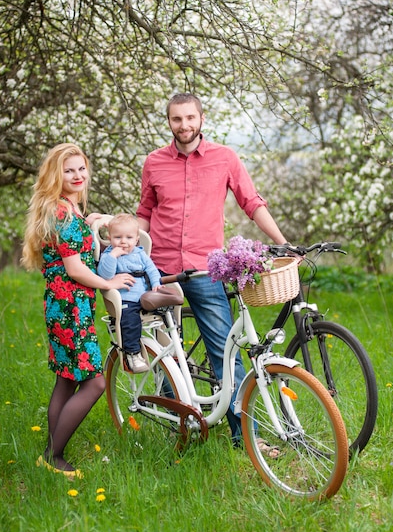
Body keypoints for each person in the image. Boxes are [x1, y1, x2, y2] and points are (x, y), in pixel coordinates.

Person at [136, 93, 288, 446]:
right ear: (169, 122)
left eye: (190, 118)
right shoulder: (154, 163)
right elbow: (144, 212)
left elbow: (252, 202)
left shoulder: (225, 158)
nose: (184, 125)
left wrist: (282, 240)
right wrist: (132, 255)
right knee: (163, 352)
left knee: (225, 350)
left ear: (201, 119)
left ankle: (245, 436)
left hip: (205, 271)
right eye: (177, 119)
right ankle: (177, 421)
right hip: (161, 271)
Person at [21, 143, 135, 478]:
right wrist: (109, 283)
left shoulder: (66, 210)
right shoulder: (61, 212)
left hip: (65, 303)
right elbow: (74, 268)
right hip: (70, 304)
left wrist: (90, 223)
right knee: (95, 383)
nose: (77, 175)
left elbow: (76, 247)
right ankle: (52, 455)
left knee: (66, 379)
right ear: (57, 175)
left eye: (81, 169)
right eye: (69, 170)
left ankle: (52, 454)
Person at [97, 213, 161, 373]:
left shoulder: (140, 254)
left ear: (137, 239)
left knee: (166, 313)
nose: (123, 241)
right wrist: (113, 255)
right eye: (118, 237)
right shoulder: (108, 255)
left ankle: (169, 346)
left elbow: (152, 270)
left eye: (129, 237)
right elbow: (105, 275)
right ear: (110, 237)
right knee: (130, 323)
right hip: (125, 300)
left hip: (145, 297)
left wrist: (156, 284)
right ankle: (133, 353)